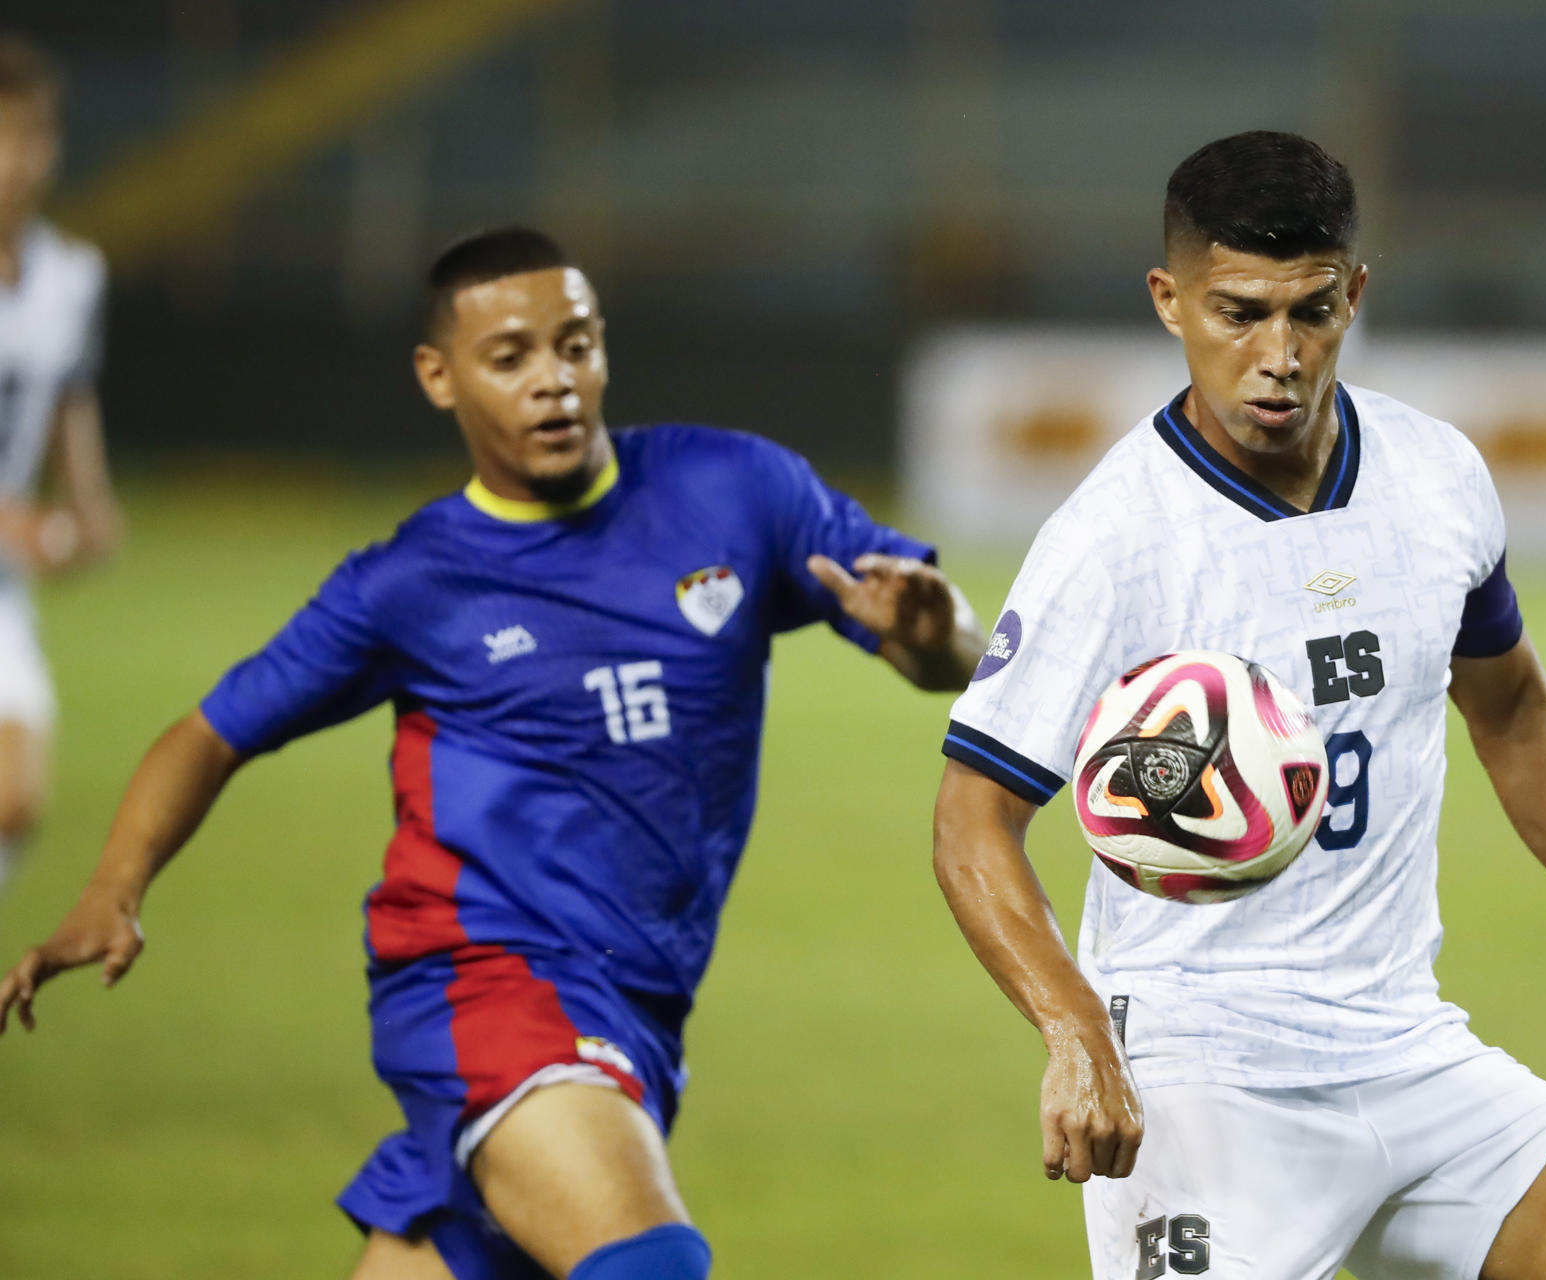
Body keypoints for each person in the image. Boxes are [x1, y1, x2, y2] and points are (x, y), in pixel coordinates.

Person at [0, 226, 984, 1280]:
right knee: (649, 1264)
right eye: (511, 357)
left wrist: (934, 635)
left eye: (575, 345)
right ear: (439, 375)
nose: (554, 381)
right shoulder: (410, 581)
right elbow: (210, 731)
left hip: (635, 1001)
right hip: (484, 981)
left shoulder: (735, 489)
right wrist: (116, 880)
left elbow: (951, 651)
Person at [931, 132, 1546, 1280]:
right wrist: (1075, 1028)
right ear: (1169, 302)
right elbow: (971, 817)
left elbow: (1510, 708)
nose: (1278, 354)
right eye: (1237, 312)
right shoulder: (1113, 541)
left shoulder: (1436, 474)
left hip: (1407, 1044)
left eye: (1310, 311)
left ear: (1355, 292)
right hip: (1202, 1080)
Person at [0, 34, 123, 895]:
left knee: (14, 796)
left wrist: (89, 517)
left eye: (29, 136)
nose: (13, 162)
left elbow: (68, 411)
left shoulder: (70, 277)